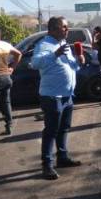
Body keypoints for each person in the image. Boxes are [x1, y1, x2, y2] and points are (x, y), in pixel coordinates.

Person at [30, 16, 85, 180]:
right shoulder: (44, 45)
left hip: (67, 95)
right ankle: (47, 165)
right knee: (51, 130)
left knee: (64, 128)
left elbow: (71, 66)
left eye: (67, 27)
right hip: (52, 96)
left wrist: (79, 62)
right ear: (53, 29)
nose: (67, 29)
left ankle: (62, 157)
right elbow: (35, 63)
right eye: (64, 27)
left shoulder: (63, 44)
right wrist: (54, 54)